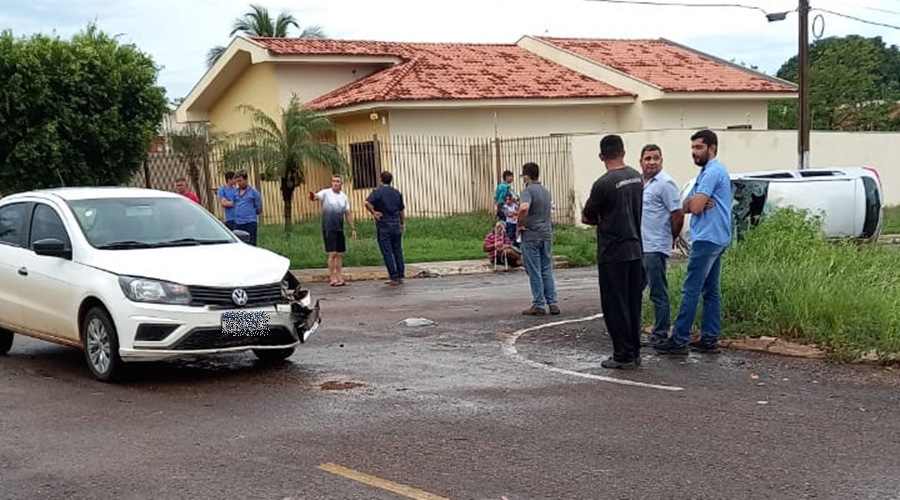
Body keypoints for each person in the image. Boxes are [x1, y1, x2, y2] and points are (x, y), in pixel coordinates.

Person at [655, 129, 733, 356]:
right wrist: (693, 202)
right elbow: (695, 203)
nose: (694, 153)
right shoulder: (715, 170)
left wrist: (688, 205)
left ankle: (679, 339)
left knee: (691, 288)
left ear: (712, 148)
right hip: (718, 236)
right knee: (710, 290)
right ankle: (709, 337)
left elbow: (695, 207)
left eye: (699, 148)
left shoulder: (711, 173)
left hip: (707, 238)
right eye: (692, 148)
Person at [581, 134, 645, 369]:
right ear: (623, 152)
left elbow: (588, 216)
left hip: (613, 252)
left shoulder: (603, 184)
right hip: (636, 248)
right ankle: (634, 350)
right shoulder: (636, 178)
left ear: (601, 156)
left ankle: (623, 354)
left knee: (615, 304)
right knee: (632, 302)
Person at [638, 144, 685, 347]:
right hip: (639, 246)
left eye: (656, 158)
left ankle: (660, 333)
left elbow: (678, 214)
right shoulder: (640, 183)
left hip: (655, 246)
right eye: (648, 158)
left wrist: (671, 236)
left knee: (658, 292)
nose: (652, 162)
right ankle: (635, 332)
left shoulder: (666, 183)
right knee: (635, 291)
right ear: (641, 161)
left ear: (661, 160)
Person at [517, 162, 559, 316]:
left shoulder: (527, 191)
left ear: (527, 177)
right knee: (546, 268)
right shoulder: (546, 192)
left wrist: (520, 223)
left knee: (534, 270)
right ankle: (552, 302)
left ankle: (539, 304)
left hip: (531, 235)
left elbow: (523, 208)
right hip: (546, 234)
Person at [309, 174, 357, 287]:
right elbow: (315, 197)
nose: (335, 183)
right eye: (334, 181)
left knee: (340, 254)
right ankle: (332, 277)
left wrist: (353, 228)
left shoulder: (344, 197)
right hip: (328, 227)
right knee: (332, 253)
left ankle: (339, 276)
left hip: (339, 228)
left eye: (338, 181)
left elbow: (347, 213)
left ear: (341, 183)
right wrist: (311, 196)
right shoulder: (326, 193)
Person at [365, 171, 406, 286]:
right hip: (396, 224)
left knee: (387, 251)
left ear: (380, 180)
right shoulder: (397, 193)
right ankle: (400, 274)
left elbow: (367, 203)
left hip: (384, 224)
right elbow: (401, 210)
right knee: (397, 250)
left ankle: (393, 277)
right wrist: (402, 223)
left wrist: (374, 212)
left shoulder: (377, 192)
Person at [232, 170, 263, 246]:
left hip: (250, 223)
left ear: (246, 179)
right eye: (237, 181)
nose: (239, 183)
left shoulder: (254, 192)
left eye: (240, 181)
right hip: (238, 222)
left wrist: (249, 213)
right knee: (238, 244)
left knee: (251, 244)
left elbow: (259, 208)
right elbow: (234, 204)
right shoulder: (235, 192)